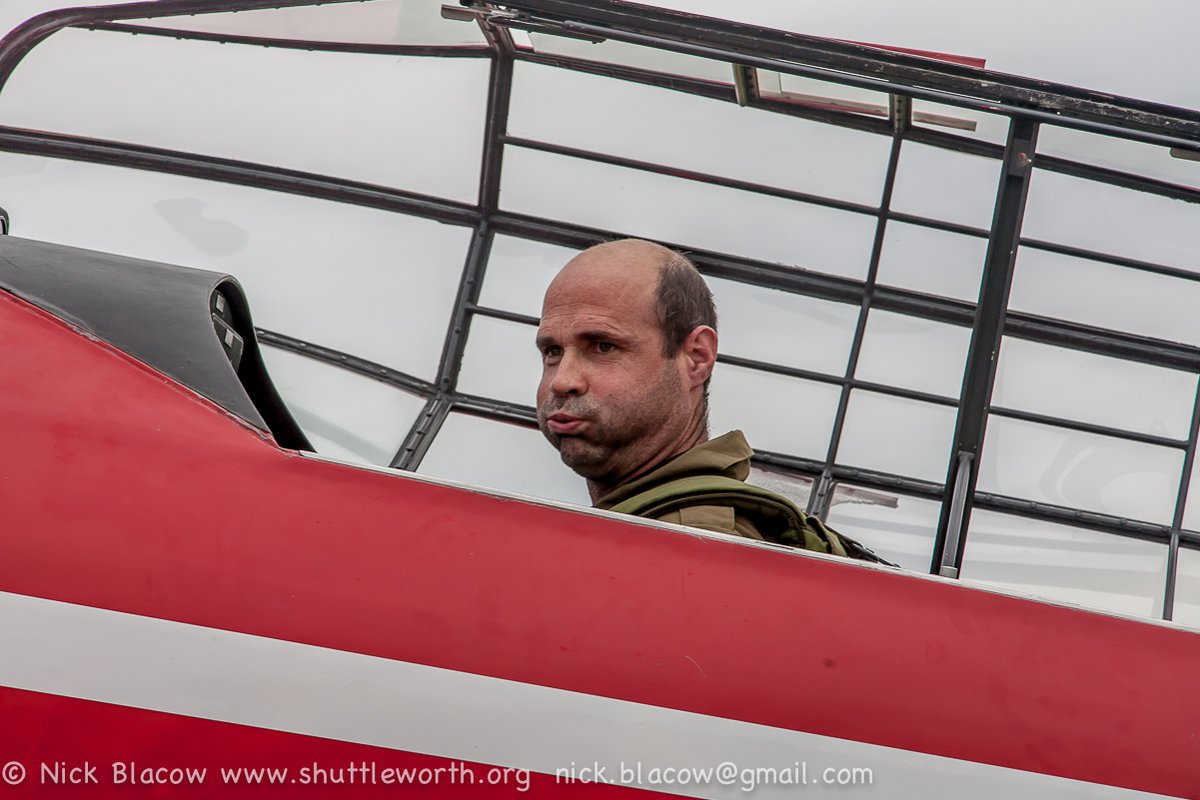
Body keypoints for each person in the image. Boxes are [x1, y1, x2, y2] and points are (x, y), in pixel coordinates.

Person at [535, 238, 878, 560]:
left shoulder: (693, 540)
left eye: (604, 346)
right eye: (552, 351)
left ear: (696, 358)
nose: (562, 381)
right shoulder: (660, 527)